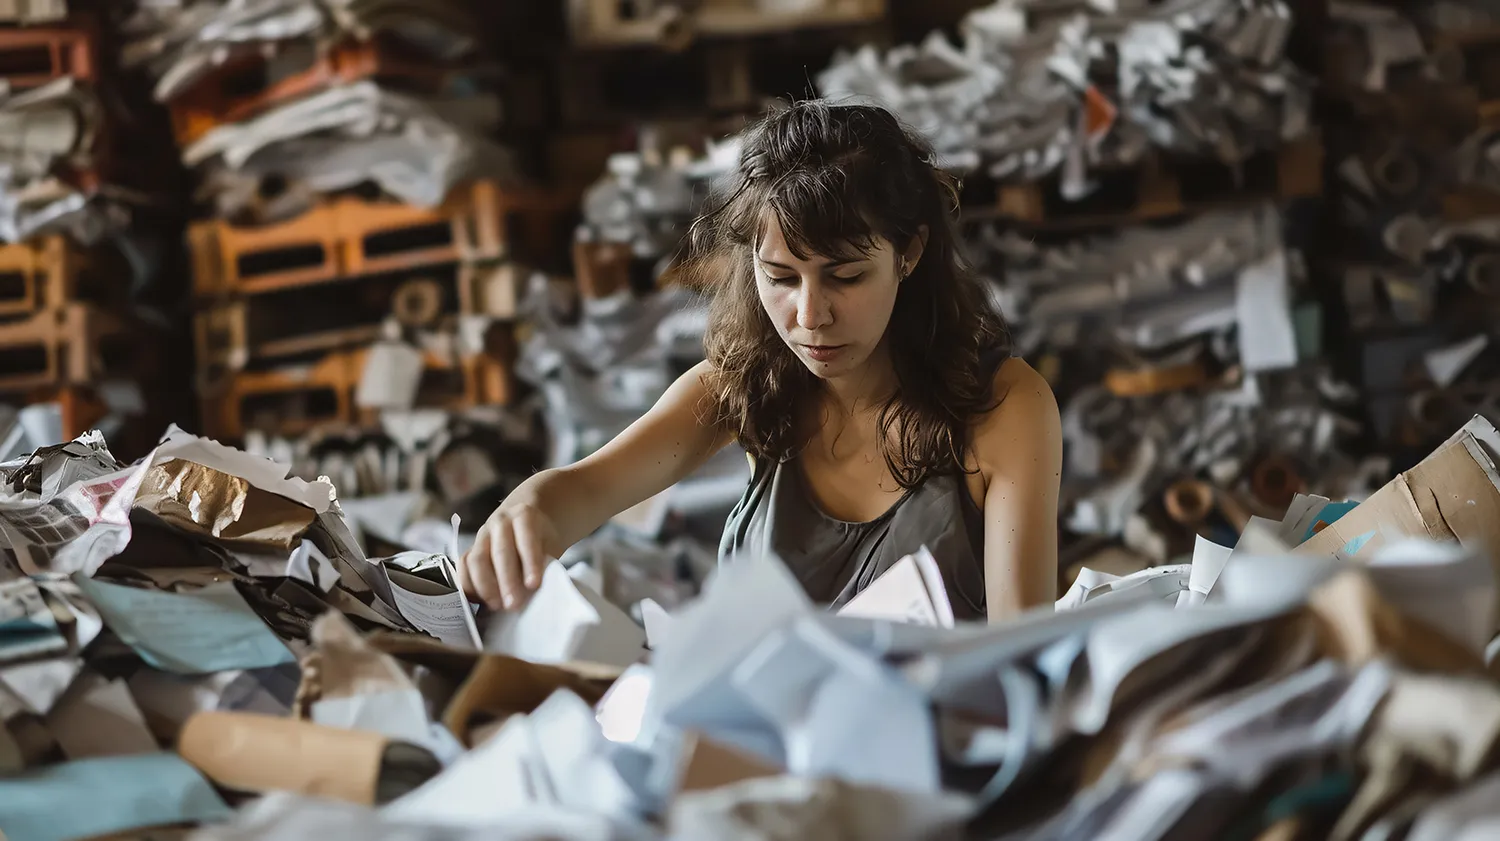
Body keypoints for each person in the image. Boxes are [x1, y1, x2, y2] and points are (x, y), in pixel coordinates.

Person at [457, 100, 1063, 623]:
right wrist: (530, 509)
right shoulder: (745, 386)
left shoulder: (1004, 408)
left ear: (909, 253)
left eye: (845, 276)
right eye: (779, 277)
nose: (809, 315)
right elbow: (585, 490)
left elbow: (1022, 652)